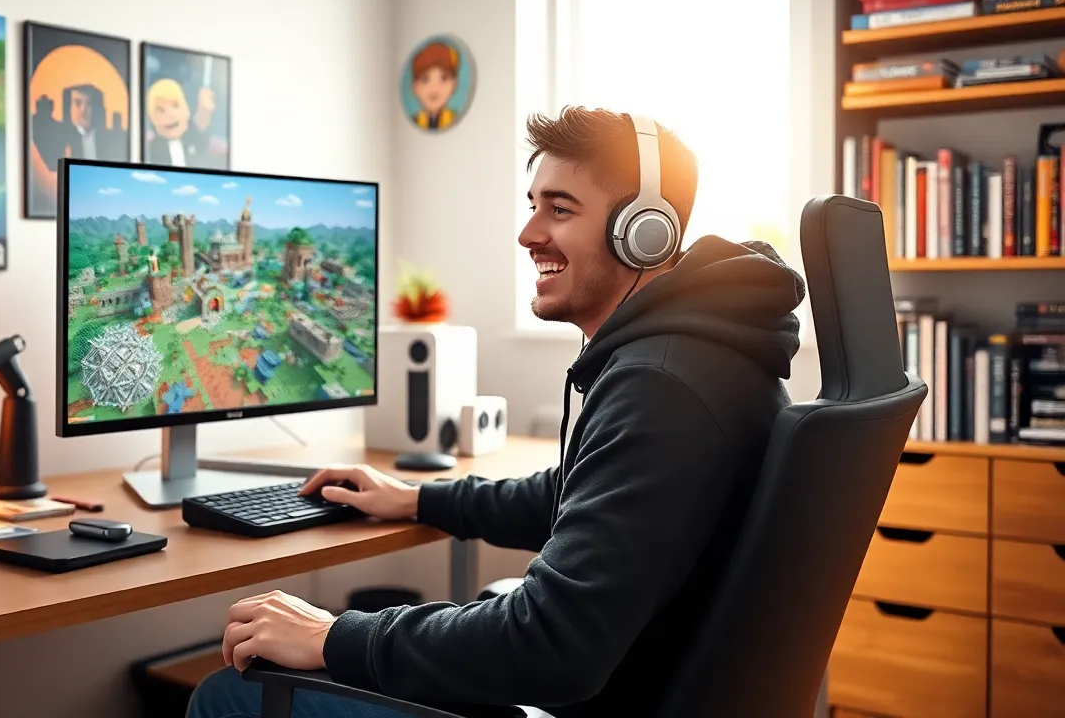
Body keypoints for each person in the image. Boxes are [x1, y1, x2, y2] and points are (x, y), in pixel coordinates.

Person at [186, 107, 805, 718]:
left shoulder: (661, 386)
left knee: (229, 694)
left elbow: (550, 645)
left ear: (643, 231)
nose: (529, 232)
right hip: (641, 680)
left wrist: (333, 635)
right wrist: (420, 500)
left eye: (559, 209)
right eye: (533, 205)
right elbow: (579, 496)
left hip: (600, 694)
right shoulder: (699, 358)